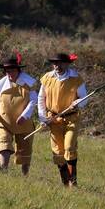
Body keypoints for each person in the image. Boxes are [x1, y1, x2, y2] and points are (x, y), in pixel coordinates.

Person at [38, 53, 88, 187]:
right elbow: (41, 99)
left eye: (60, 63)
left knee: (69, 147)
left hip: (72, 118)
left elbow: (84, 98)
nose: (57, 66)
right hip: (53, 118)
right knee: (58, 153)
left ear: (67, 64)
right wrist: (43, 117)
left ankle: (73, 182)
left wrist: (77, 102)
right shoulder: (47, 78)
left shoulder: (76, 78)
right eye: (55, 63)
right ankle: (65, 182)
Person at [0, 54, 38, 175]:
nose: (10, 73)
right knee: (4, 142)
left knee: (24, 150)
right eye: (7, 71)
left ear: (18, 70)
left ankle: (25, 175)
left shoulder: (28, 84)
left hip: (23, 122)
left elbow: (33, 101)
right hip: (4, 121)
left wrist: (25, 116)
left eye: (12, 70)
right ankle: (3, 167)